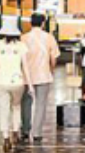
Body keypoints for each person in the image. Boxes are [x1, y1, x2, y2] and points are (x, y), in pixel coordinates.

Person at [0, 19, 29, 152]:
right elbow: (25, 67)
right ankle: (15, 131)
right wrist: (30, 84)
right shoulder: (21, 46)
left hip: (2, 82)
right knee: (16, 107)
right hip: (18, 82)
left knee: (4, 110)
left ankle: (6, 138)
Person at [22, 13, 59, 143]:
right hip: (43, 75)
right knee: (41, 104)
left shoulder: (23, 38)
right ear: (43, 23)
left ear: (30, 23)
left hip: (26, 77)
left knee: (26, 103)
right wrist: (51, 71)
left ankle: (25, 130)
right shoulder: (49, 38)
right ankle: (37, 132)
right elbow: (53, 58)